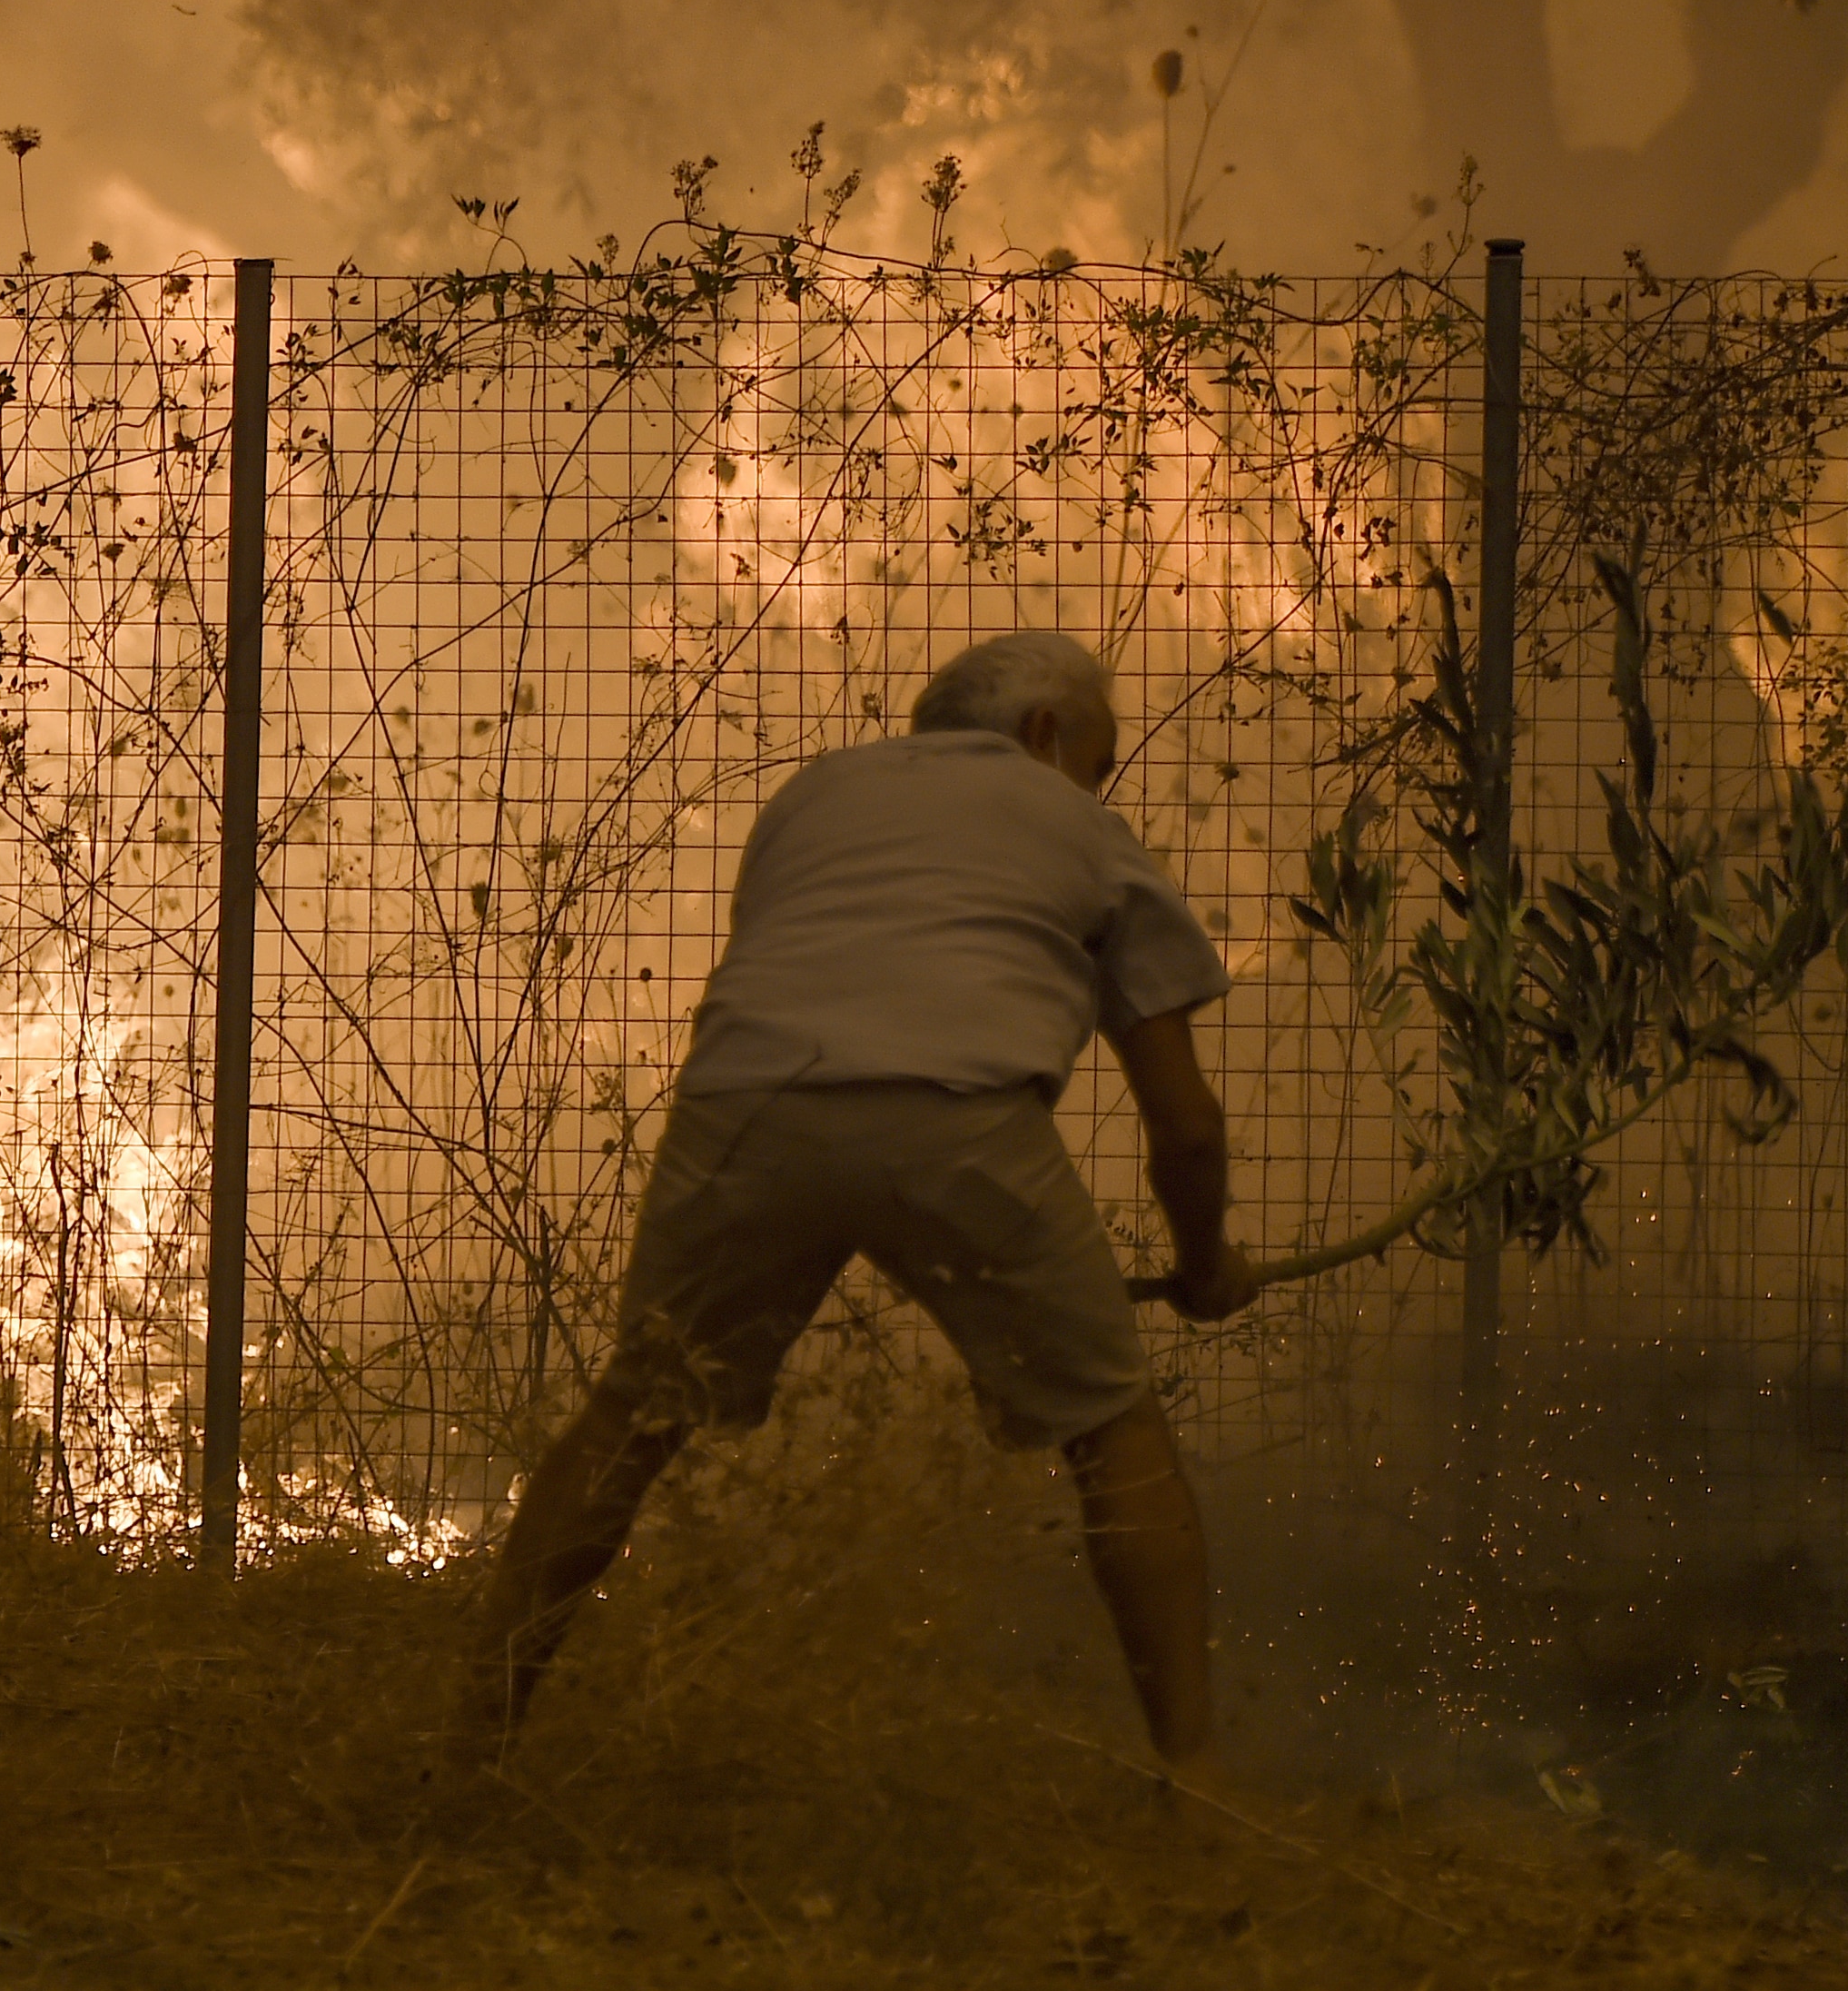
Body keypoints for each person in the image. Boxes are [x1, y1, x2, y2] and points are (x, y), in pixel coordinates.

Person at [470, 629, 1260, 1790]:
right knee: (1112, 1432)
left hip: (744, 1108)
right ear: (1045, 735)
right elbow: (1184, 1129)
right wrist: (1203, 1266)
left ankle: (473, 1740)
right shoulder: (1085, 831)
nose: (1099, 784)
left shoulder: (810, 797)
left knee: (631, 1419)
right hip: (960, 1124)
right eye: (1097, 758)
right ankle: (1195, 1789)